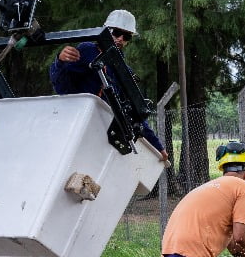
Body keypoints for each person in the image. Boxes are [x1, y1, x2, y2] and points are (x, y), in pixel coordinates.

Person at [49, 9, 169, 162]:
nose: (120, 39)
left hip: (103, 133)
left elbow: (134, 112)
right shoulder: (88, 51)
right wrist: (60, 61)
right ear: (106, 30)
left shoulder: (124, 71)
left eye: (126, 37)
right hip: (78, 122)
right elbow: (62, 86)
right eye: (117, 32)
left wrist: (158, 146)